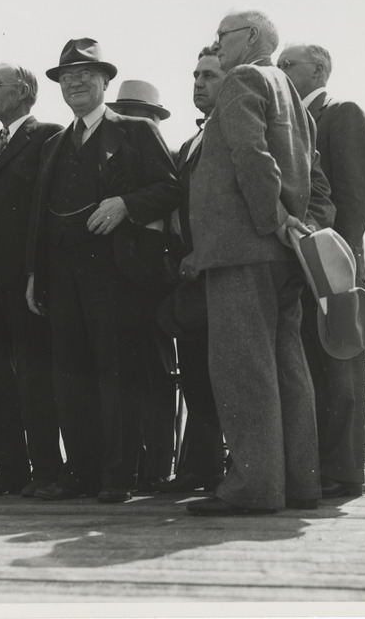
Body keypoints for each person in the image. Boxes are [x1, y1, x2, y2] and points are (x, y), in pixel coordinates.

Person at [183, 11, 335, 516]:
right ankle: (300, 483)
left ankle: (254, 486)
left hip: (242, 249)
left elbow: (251, 155)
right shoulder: (291, 93)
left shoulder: (244, 78)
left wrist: (274, 219)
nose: (216, 45)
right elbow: (308, 174)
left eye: (222, 36)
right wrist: (294, 227)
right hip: (282, 257)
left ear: (249, 38)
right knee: (287, 366)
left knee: (242, 369)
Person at [26, 38, 181, 503]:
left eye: (85, 75)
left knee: (117, 374)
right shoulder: (54, 144)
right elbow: (39, 216)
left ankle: (118, 476)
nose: (75, 82)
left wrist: (126, 204)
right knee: (70, 375)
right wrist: (34, 274)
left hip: (116, 274)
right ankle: (81, 473)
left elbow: (170, 187)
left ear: (105, 82)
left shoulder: (136, 130)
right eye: (67, 76)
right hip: (62, 277)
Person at [277, 43, 365, 499]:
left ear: (318, 70)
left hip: (335, 268)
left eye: (287, 65)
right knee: (311, 369)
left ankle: (343, 472)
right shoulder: (288, 121)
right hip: (300, 267)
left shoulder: (342, 114)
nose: (279, 72)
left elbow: (355, 198)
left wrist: (337, 265)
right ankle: (312, 468)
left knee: (339, 369)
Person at [0, 63, 64, 498]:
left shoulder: (49, 137)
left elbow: (47, 210)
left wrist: (35, 273)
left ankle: (48, 471)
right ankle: (10, 471)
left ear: (23, 91)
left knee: (35, 378)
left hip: (24, 281)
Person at [159, 48, 226, 494]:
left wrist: (203, 252)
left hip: (219, 269)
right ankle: (200, 468)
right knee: (198, 374)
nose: (199, 83)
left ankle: (218, 469)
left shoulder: (229, 131)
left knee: (221, 374)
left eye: (210, 75)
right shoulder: (189, 144)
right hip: (189, 276)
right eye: (196, 75)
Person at [106, 79, 177, 492]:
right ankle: (133, 465)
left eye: (138, 115)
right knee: (128, 373)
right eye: (124, 114)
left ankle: (158, 465)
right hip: (120, 276)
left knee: (156, 370)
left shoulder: (168, 156)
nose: (130, 122)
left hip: (155, 278)